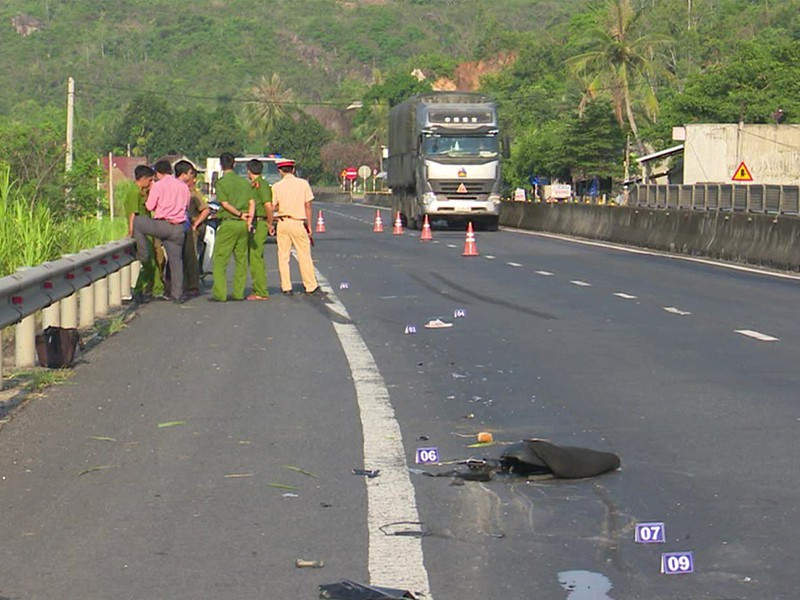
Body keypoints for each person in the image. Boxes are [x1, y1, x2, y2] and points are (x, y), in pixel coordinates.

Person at [132, 159, 192, 303]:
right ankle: (177, 295)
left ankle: (143, 253)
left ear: (158, 173)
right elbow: (187, 206)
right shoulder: (183, 186)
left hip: (163, 225)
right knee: (176, 262)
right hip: (179, 227)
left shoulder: (158, 186)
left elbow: (150, 206)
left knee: (138, 222)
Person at [269, 159, 320, 295]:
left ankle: (286, 286)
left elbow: (274, 206)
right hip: (298, 222)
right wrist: (309, 226)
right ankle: (310, 285)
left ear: (280, 171)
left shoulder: (276, 186)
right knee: (304, 254)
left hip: (283, 222)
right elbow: (308, 206)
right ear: (293, 169)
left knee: (283, 256)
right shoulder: (303, 184)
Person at [211, 152, 254, 302]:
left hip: (229, 222)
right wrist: (247, 219)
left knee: (220, 258)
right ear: (234, 164)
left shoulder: (222, 183)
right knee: (241, 259)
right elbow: (251, 202)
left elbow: (224, 204)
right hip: (243, 225)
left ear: (221, 165)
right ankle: (238, 292)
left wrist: (238, 214)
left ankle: (220, 293)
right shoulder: (244, 183)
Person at [122, 165, 164, 303]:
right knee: (147, 261)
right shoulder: (134, 192)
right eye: (150, 180)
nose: (151, 183)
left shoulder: (141, 192)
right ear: (144, 179)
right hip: (140, 230)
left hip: (146, 229)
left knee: (152, 261)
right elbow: (133, 214)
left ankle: (148, 289)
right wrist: (131, 231)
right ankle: (139, 289)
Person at [245, 159, 273, 300]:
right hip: (256, 221)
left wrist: (270, 223)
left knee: (256, 257)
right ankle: (258, 288)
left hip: (260, 222)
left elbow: (268, 206)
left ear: (249, 170)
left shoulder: (261, 185)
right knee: (254, 256)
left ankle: (261, 291)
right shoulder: (255, 185)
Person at [183, 166, 210, 296]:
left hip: (192, 226)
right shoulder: (179, 190)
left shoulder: (194, 193)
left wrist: (196, 223)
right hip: (179, 225)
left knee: (191, 255)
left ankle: (192, 284)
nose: (192, 181)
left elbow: (205, 210)